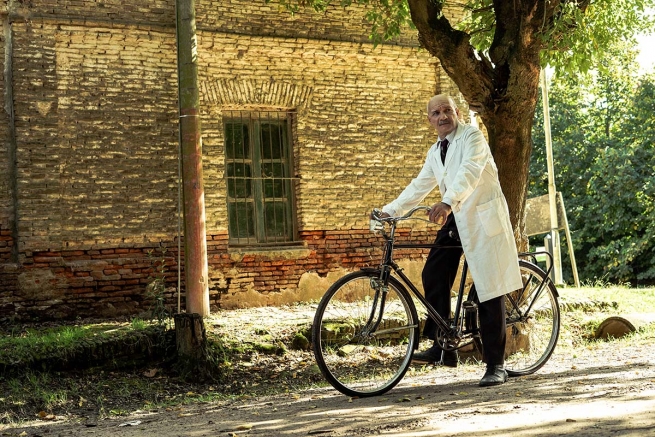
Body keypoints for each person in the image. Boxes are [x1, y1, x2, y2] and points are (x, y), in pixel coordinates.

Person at [375, 94, 523, 387]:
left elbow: (469, 172)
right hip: (457, 214)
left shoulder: (471, 137)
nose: (442, 116)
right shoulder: (436, 151)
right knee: (434, 272)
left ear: (456, 113)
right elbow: (419, 185)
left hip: (482, 216)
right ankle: (444, 347)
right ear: (430, 120)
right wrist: (389, 210)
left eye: (447, 110)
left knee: (487, 288)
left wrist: (445, 202)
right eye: (436, 113)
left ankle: (496, 364)